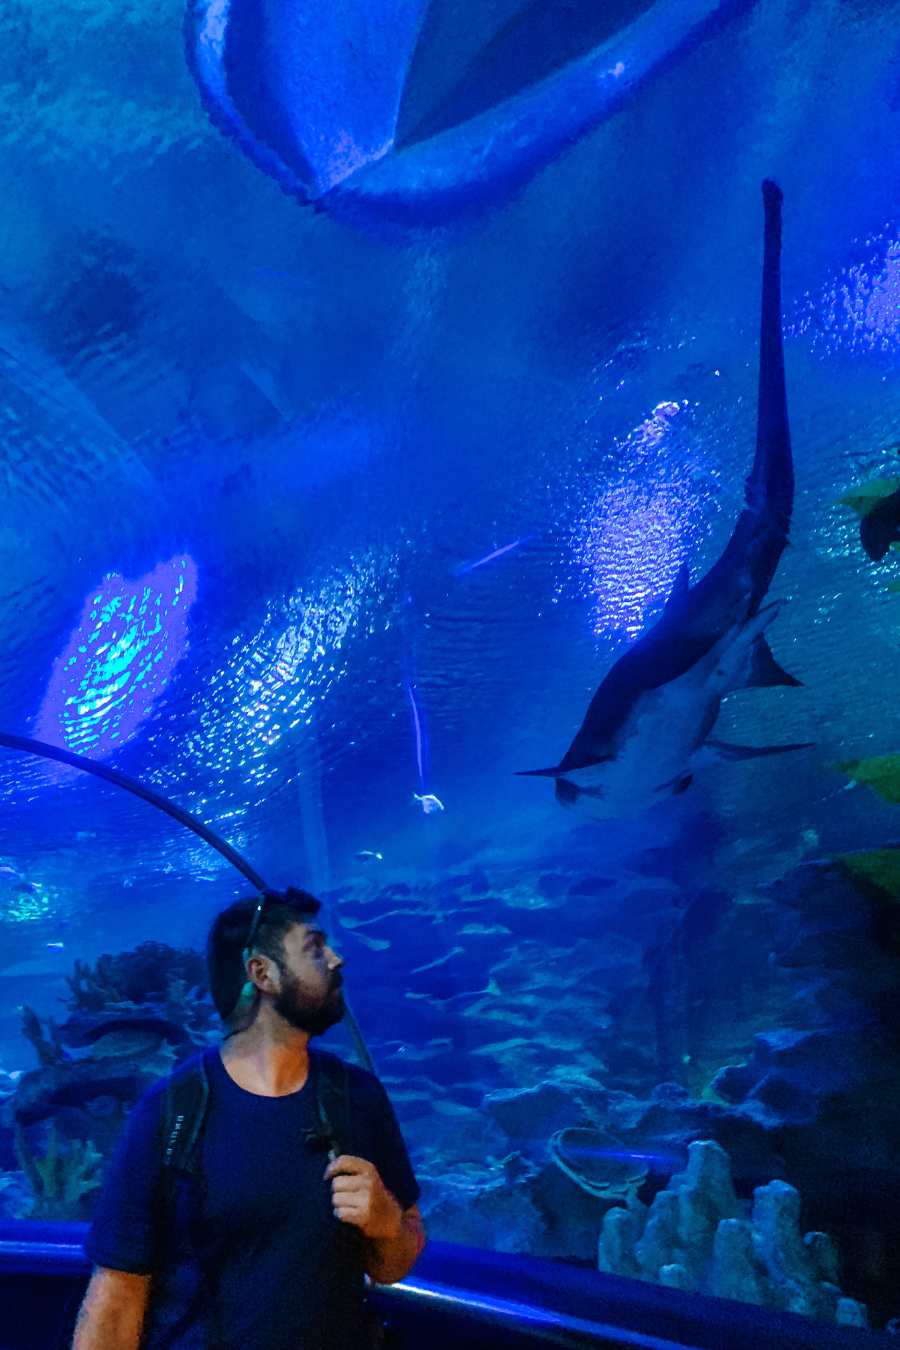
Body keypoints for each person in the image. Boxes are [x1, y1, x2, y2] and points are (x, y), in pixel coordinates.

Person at [72, 887, 425, 1349]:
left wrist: (388, 1223)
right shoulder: (173, 1113)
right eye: (315, 948)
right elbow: (117, 1296)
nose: (337, 960)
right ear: (263, 973)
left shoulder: (356, 1097)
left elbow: (391, 1264)